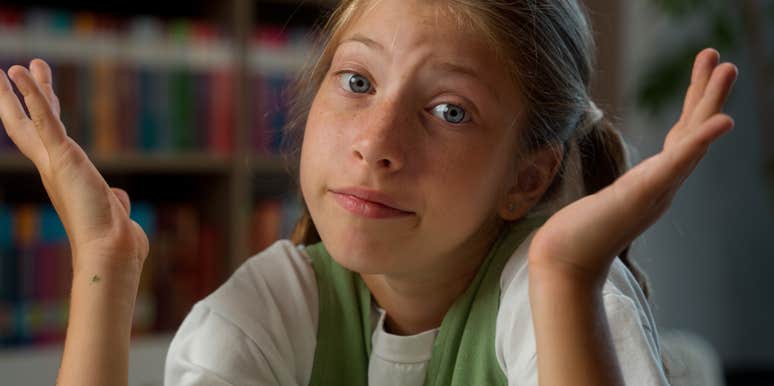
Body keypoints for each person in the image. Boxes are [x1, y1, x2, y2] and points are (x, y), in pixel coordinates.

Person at [0, 0, 737, 385]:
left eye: (449, 111)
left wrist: (567, 277)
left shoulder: (559, 294)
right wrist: (104, 263)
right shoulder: (263, 313)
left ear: (527, 178)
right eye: (357, 81)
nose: (376, 142)